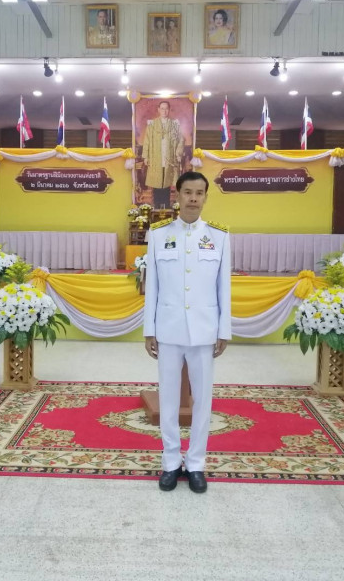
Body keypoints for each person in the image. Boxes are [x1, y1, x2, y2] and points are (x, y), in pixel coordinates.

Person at [143, 171, 231, 494]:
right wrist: (149, 329)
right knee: (168, 399)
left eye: (199, 193)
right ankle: (170, 462)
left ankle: (195, 464)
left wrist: (224, 329)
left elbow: (224, 287)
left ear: (206, 197)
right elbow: (152, 286)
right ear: (177, 195)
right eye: (188, 192)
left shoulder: (219, 237)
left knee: (202, 401)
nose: (193, 198)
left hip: (205, 331)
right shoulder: (158, 235)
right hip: (167, 329)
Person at [141, 100, 184, 207]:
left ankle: (166, 206)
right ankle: (156, 206)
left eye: (166, 109)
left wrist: (178, 153)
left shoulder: (174, 124)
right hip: (156, 157)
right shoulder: (152, 124)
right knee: (157, 182)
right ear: (158, 110)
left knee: (167, 182)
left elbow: (181, 139)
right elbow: (147, 140)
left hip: (169, 158)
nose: (164, 111)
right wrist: (146, 156)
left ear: (169, 110)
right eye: (162, 108)